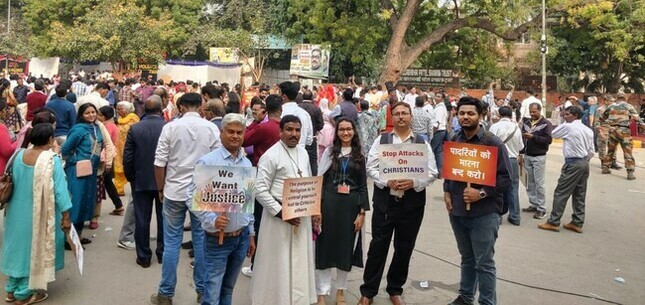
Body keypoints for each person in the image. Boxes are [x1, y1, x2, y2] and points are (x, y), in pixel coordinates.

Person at [358, 102, 438, 305]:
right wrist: (386, 180)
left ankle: (395, 289)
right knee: (377, 247)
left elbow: (433, 172)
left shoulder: (421, 142)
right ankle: (368, 292)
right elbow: (371, 167)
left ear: (411, 117)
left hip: (412, 204)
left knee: (404, 248)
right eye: (397, 114)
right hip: (386, 203)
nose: (401, 117)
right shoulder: (382, 140)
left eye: (404, 113)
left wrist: (415, 182)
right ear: (391, 118)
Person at [151, 92, 221, 305]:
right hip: (202, 192)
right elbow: (217, 161)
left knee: (172, 242)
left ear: (180, 107)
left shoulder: (170, 128)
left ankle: (165, 294)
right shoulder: (210, 128)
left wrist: (161, 189)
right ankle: (202, 291)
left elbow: (159, 162)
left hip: (174, 191)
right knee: (201, 242)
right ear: (200, 106)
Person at [444, 97, 511, 305]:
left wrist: (480, 193)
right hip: (458, 211)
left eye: (470, 113)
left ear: (480, 116)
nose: (465, 117)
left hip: (484, 213)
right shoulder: (455, 139)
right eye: (462, 113)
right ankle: (465, 297)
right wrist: (447, 191)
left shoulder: (492, 142)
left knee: (484, 263)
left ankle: (487, 302)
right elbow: (450, 171)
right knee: (467, 258)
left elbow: (506, 178)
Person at [252, 115, 321, 305]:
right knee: (279, 262)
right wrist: (281, 213)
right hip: (278, 219)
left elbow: (308, 181)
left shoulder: (303, 153)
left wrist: (315, 209)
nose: (294, 134)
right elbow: (259, 189)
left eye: (297, 130)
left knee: (300, 260)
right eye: (289, 129)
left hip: (302, 216)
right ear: (280, 131)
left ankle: (298, 300)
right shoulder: (270, 156)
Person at [1, 124, 72, 305]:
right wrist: (66, 216)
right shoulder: (51, 159)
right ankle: (25, 293)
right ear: (50, 139)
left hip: (16, 212)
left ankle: (11, 289)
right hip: (39, 213)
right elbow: (60, 192)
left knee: (18, 248)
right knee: (34, 249)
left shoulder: (18, 155)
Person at [189, 113, 256, 305]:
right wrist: (212, 219)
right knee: (211, 294)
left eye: (239, 132)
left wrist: (250, 233)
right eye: (231, 132)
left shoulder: (246, 163)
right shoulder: (208, 162)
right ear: (221, 133)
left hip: (241, 238)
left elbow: (247, 201)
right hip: (216, 240)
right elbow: (191, 197)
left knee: (228, 290)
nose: (235, 136)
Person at [316, 118, 369, 305]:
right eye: (342, 130)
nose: (345, 133)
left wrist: (362, 213)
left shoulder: (359, 156)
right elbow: (320, 181)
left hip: (350, 208)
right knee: (324, 248)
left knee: (345, 250)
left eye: (349, 129)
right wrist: (317, 209)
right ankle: (321, 292)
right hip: (329, 206)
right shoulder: (330, 153)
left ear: (354, 132)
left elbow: (363, 186)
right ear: (336, 132)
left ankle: (340, 291)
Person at [123, 96, 166, 268]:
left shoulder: (135, 128)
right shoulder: (168, 127)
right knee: (164, 218)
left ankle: (143, 256)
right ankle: (163, 253)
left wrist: (131, 177)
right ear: (161, 109)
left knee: (142, 219)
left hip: (141, 179)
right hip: (164, 180)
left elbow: (128, 157)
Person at [538, 106, 594, 233]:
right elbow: (591, 151)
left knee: (561, 192)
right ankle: (577, 222)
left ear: (574, 115)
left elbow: (553, 134)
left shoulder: (568, 127)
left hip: (573, 163)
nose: (564, 116)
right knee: (579, 193)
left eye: (567, 114)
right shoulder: (587, 130)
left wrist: (563, 121)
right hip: (584, 162)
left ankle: (554, 221)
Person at [61, 103, 105, 245]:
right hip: (77, 171)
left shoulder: (96, 128)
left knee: (86, 202)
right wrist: (77, 160)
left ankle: (78, 236)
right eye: (87, 113)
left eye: (93, 112)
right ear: (81, 115)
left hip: (90, 172)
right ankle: (69, 240)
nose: (91, 115)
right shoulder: (78, 130)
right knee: (77, 202)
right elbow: (65, 149)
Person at [489, 106, 524, 226]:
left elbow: (490, 144)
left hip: (497, 160)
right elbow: (521, 147)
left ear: (499, 115)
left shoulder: (494, 127)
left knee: (497, 187)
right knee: (513, 188)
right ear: (511, 115)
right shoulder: (516, 128)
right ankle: (515, 216)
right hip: (512, 160)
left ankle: (498, 216)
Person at [519, 103, 553, 220]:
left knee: (539, 183)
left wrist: (533, 137)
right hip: (527, 156)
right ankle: (534, 204)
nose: (532, 114)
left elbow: (548, 140)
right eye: (530, 112)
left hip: (539, 156)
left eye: (534, 112)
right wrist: (521, 153)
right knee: (530, 182)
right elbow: (521, 138)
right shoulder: (527, 123)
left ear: (540, 111)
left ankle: (542, 208)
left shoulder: (546, 124)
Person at [601, 93, 645, 180]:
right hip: (624, 132)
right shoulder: (628, 106)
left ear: (617, 98)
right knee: (627, 152)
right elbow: (637, 119)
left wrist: (608, 126)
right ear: (625, 98)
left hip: (612, 131)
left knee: (610, 150)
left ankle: (605, 168)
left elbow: (602, 118)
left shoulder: (610, 106)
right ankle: (630, 173)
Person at [279, 81, 315, 171]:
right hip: (302, 160)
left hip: (282, 158)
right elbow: (309, 141)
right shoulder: (305, 114)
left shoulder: (279, 113)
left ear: (283, 97)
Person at [95, 106, 123, 216]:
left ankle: (118, 205)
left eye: (100, 115)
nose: (97, 116)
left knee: (107, 182)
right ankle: (118, 205)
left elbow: (105, 142)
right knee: (107, 183)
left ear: (105, 116)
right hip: (109, 156)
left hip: (106, 157)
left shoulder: (107, 127)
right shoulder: (111, 125)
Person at [114, 101, 140, 196]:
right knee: (118, 168)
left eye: (120, 108)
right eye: (117, 109)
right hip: (119, 147)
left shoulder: (133, 119)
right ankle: (119, 189)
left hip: (129, 147)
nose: (118, 111)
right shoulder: (120, 119)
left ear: (127, 109)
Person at [299, 90, 324, 175]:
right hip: (312, 138)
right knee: (313, 160)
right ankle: (314, 180)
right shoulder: (316, 108)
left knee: (299, 159)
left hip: (299, 138)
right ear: (312, 98)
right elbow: (321, 125)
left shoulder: (298, 107)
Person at [431, 96, 449, 177]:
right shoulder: (441, 107)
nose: (436, 98)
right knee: (438, 152)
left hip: (438, 131)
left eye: (438, 97)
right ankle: (440, 172)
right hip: (442, 130)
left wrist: (433, 133)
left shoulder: (440, 108)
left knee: (431, 150)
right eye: (436, 96)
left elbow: (437, 123)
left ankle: (432, 171)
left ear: (442, 99)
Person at [0, 99, 18, 176]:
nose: (6, 112)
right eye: (4, 109)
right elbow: (7, 151)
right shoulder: (1, 127)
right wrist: (17, 141)